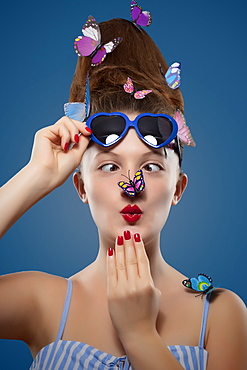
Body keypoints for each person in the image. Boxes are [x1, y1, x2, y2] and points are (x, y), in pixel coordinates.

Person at [0, 12, 247, 370]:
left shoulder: (221, 312)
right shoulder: (41, 301)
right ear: (81, 186)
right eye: (109, 166)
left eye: (151, 166)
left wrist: (140, 335)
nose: (131, 186)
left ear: (178, 188)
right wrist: (35, 175)